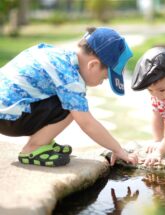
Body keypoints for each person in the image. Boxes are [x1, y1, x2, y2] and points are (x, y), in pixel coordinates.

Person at [0, 27, 138, 167]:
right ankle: (34, 148)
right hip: (10, 120)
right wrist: (118, 149)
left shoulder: (58, 56)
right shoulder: (70, 78)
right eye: (103, 78)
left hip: (7, 113)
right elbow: (87, 123)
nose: (101, 83)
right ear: (93, 65)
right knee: (74, 107)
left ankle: (43, 140)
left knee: (66, 99)